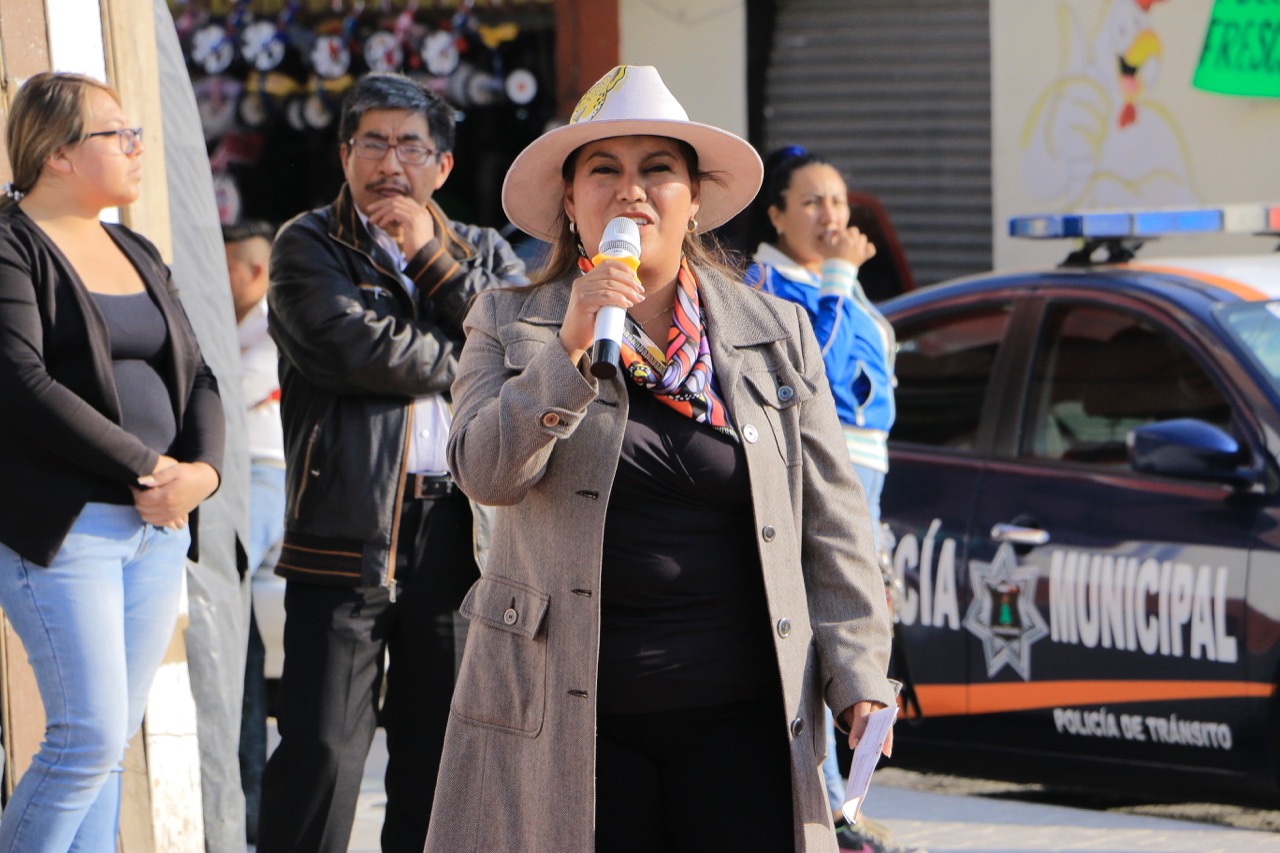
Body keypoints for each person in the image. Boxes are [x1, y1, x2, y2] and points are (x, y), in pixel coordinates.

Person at [426, 65, 897, 853]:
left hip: (743, 715)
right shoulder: (510, 322)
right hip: (565, 719)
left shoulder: (773, 331)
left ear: (696, 199)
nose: (631, 192)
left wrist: (856, 676)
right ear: (570, 204)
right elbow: (485, 471)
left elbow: (833, 519)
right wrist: (568, 352)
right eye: (603, 171)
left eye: (658, 171)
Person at [256, 71, 527, 853]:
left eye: (410, 144)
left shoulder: (482, 250)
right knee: (321, 754)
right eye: (371, 141)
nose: (389, 162)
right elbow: (352, 352)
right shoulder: (307, 243)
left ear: (442, 165)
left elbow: (528, 346)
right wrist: (475, 353)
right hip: (344, 524)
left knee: (440, 754)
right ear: (344, 154)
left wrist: (430, 256)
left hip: (459, 530)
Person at [0, 71, 224, 852]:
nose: (137, 147)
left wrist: (203, 474)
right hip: (69, 529)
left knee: (105, 750)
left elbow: (197, 375)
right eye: (117, 134)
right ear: (59, 152)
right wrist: (149, 466)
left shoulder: (135, 246)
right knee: (86, 739)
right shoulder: (11, 244)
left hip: (155, 529)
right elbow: (19, 382)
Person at [744, 145, 899, 850]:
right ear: (775, 215)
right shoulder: (765, 290)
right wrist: (839, 281)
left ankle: (847, 803)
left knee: (861, 641)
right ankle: (830, 807)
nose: (830, 215)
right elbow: (824, 377)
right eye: (811, 201)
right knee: (816, 647)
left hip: (866, 488)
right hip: (809, 484)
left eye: (838, 200)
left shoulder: (846, 284)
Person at [222, 219, 284, 844]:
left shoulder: (270, 327)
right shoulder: (235, 330)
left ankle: (252, 813)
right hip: (239, 477)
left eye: (227, 265)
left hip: (266, 474)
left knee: (227, 600)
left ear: (255, 271)